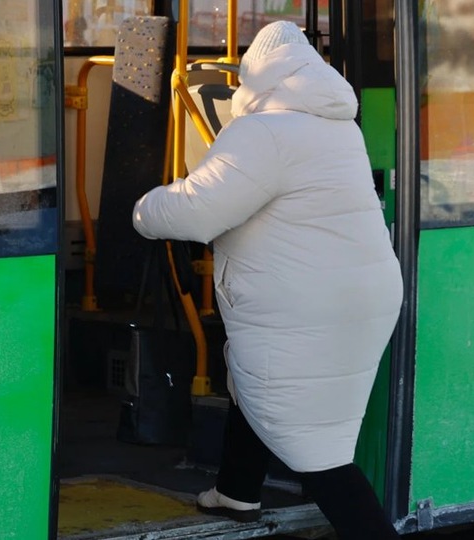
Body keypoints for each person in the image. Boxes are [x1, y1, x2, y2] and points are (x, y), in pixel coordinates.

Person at [131, 20, 403, 539]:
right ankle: (237, 491)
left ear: (260, 77)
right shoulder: (337, 127)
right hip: (360, 298)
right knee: (255, 385)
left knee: (316, 451)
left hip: (304, 306)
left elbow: (196, 212)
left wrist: (143, 209)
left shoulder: (263, 132)